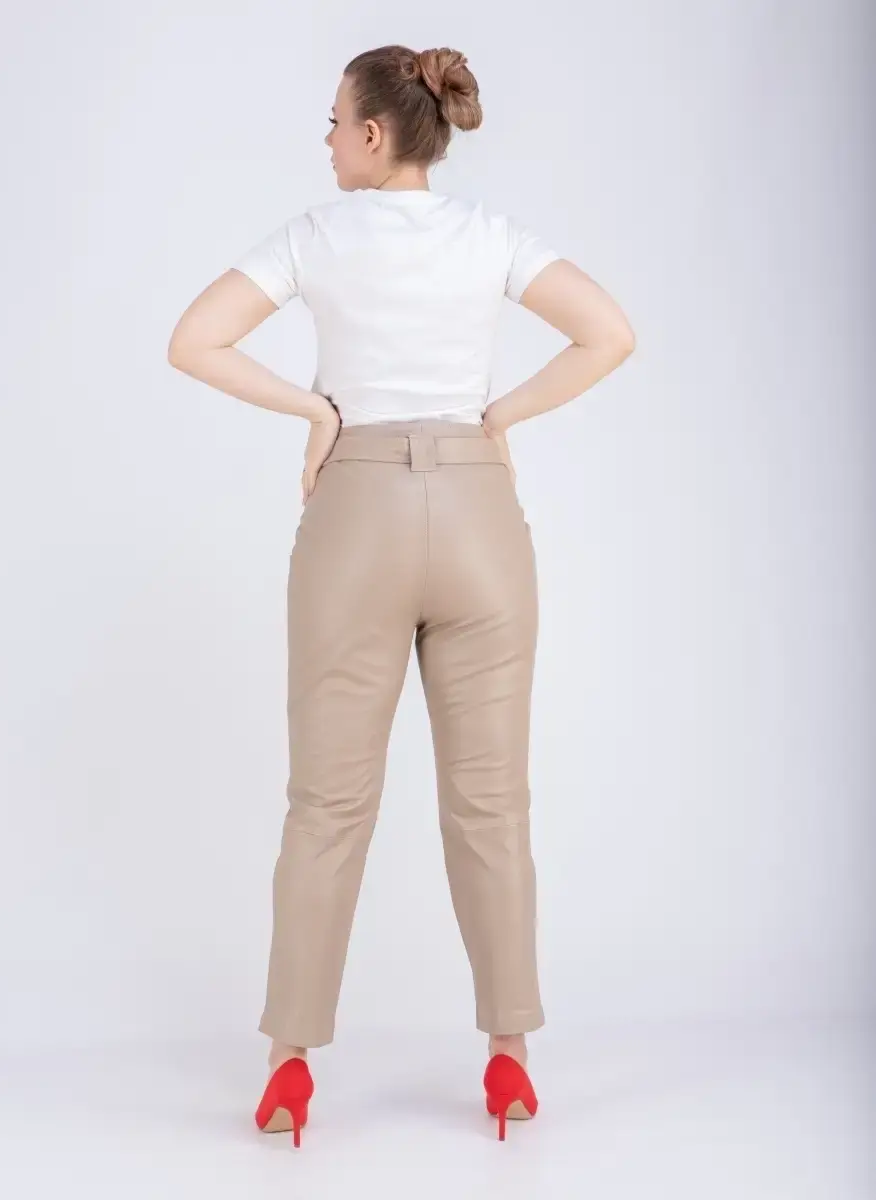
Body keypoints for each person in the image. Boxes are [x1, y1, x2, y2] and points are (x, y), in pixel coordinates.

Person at [167, 43, 635, 1146]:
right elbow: (610, 332)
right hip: (480, 518)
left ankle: (289, 1065)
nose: (327, 140)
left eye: (334, 121)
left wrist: (316, 412)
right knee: (493, 804)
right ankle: (509, 1056)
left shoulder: (317, 236)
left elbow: (193, 340)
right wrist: (498, 419)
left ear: (374, 135)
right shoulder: (492, 236)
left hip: (356, 514)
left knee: (326, 807)